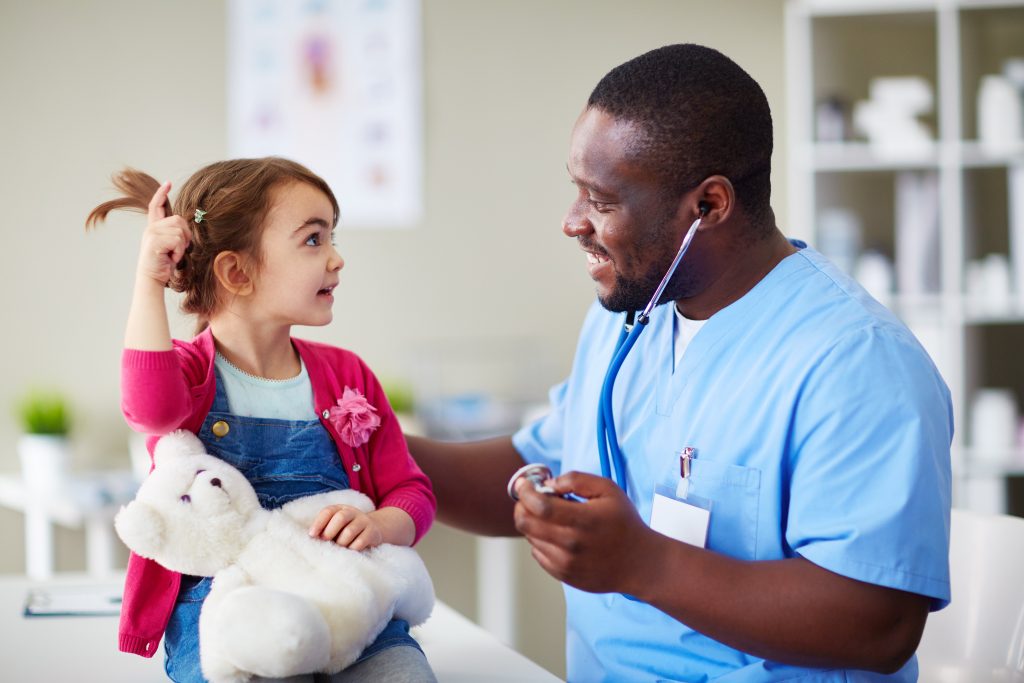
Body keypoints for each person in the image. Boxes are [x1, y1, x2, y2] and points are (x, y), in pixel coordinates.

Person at [408, 44, 952, 682]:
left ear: (709, 205)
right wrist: (365, 449)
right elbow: (548, 468)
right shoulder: (629, 317)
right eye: (575, 190)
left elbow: (879, 624)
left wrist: (644, 564)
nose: (571, 222)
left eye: (601, 200)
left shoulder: (856, 363)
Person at [86, 157, 437, 683]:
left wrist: (380, 524)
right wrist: (147, 283)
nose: (337, 259)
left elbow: (410, 490)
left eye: (332, 237)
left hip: (342, 595)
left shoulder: (348, 375)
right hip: (226, 612)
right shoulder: (189, 374)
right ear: (236, 271)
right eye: (314, 240)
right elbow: (151, 410)